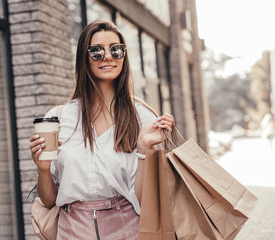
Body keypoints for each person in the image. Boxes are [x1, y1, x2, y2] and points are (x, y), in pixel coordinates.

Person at [29, 20, 175, 240]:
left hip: (128, 231)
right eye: (97, 51)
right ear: (83, 58)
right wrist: (42, 169)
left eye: (116, 50)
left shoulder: (143, 117)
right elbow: (49, 200)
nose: (108, 56)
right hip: (72, 232)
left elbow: (147, 200)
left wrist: (144, 148)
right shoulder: (58, 118)